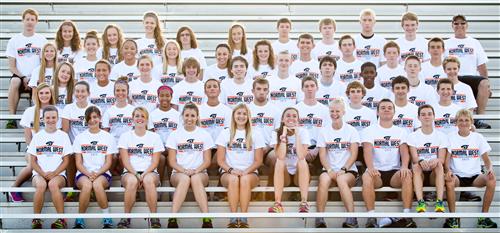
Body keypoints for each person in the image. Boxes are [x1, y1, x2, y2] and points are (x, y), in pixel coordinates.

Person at [361, 99, 416, 228]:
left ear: (394, 112)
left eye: (389, 108)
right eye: (383, 107)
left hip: (394, 173)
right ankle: (371, 217)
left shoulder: (401, 131)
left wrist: (404, 166)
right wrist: (370, 168)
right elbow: (367, 151)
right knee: (366, 176)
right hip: (377, 172)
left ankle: (407, 216)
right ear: (377, 112)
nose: (386, 110)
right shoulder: (369, 130)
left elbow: (404, 152)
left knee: (407, 174)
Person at [444, 109, 497, 228]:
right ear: (456, 123)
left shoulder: (478, 137)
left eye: (466, 120)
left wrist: (490, 170)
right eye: (460, 120)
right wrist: (448, 171)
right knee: (449, 180)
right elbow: (446, 162)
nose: (463, 123)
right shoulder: (450, 137)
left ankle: (483, 218)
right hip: (457, 176)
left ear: (471, 122)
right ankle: (453, 218)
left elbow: (487, 161)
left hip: (475, 176)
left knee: (492, 180)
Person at [216, 104, 265, 228]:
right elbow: (220, 160)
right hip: (228, 172)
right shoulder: (225, 133)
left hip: (250, 173)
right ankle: (233, 219)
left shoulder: (256, 133)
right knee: (233, 179)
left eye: (244, 114)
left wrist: (245, 171)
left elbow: (258, 161)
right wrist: (232, 170)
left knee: (244, 179)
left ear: (248, 117)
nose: (241, 116)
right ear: (233, 116)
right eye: (238, 113)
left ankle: (243, 218)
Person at [166, 103, 214, 228]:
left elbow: (207, 161)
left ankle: (207, 219)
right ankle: (172, 219)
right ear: (182, 116)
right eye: (187, 115)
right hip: (178, 173)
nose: (189, 118)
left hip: (200, 172)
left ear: (197, 117)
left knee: (195, 178)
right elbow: (172, 162)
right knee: (185, 178)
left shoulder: (204, 134)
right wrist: (184, 171)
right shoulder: (174, 134)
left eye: (193, 115)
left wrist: (196, 170)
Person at [10, 83, 58, 202]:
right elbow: (27, 136)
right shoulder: (30, 111)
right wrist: (34, 151)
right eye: (41, 93)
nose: (44, 95)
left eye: (47, 92)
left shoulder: (56, 111)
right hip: (33, 149)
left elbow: (59, 134)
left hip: (53, 149)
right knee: (32, 164)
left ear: (51, 94)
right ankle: (14, 188)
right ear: (36, 95)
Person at [315, 99, 360, 228]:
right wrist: (329, 170)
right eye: (332, 111)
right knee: (323, 180)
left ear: (343, 112)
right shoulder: (324, 131)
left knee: (341, 180)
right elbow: (322, 155)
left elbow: (354, 154)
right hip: (330, 169)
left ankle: (352, 219)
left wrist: (344, 169)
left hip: (348, 170)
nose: (334, 113)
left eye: (337, 111)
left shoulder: (351, 130)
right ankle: (320, 219)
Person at [117, 107, 163, 229]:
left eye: (143, 116)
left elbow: (155, 162)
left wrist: (143, 174)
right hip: (130, 172)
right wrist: (137, 175)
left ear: (147, 120)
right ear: (132, 119)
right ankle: (126, 218)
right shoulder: (125, 136)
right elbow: (125, 161)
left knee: (148, 180)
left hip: (150, 171)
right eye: (137, 116)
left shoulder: (154, 137)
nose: (140, 118)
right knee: (132, 181)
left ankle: (154, 217)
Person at [445, 15, 491, 129]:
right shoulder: (446, 43)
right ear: (452, 26)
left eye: (462, 23)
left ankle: (478, 119)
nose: (459, 25)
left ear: (467, 25)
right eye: (456, 23)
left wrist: (488, 86)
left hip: (471, 78)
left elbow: (482, 66)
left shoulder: (474, 42)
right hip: (454, 77)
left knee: (485, 84)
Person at [29, 105, 72, 229]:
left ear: (58, 118)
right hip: (39, 173)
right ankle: (36, 219)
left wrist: (54, 173)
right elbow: (32, 161)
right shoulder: (37, 136)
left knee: (53, 184)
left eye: (53, 117)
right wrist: (42, 173)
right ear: (42, 119)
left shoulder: (63, 136)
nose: (51, 120)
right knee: (41, 185)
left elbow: (66, 161)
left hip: (58, 174)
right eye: (48, 117)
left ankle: (61, 219)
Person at [73, 106, 116, 229]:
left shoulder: (108, 137)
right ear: (86, 120)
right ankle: (80, 219)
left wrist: (97, 174)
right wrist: (88, 174)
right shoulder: (80, 137)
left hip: (103, 173)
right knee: (87, 185)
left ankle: (107, 219)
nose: (92, 120)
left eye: (95, 117)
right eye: (89, 118)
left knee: (97, 185)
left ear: (100, 118)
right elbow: (78, 163)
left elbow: (108, 162)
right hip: (83, 173)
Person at [6, 8, 47, 129]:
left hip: (37, 76)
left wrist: (33, 78)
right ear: (23, 21)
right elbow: (12, 66)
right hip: (20, 76)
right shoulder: (14, 40)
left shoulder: (41, 40)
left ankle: (40, 117)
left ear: (36, 22)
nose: (29, 22)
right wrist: (23, 77)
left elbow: (44, 63)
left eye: (32, 19)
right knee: (14, 81)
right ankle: (11, 119)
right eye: (27, 19)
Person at [268, 107, 311, 213]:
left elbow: (301, 155)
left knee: (302, 161)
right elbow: (281, 156)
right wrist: (283, 136)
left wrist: (296, 135)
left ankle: (304, 202)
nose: (291, 118)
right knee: (279, 161)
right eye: (288, 116)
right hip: (284, 175)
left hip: (299, 174)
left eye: (294, 116)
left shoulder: (303, 132)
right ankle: (278, 203)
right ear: (282, 119)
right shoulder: (276, 133)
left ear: (298, 120)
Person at [408, 104, 446, 214]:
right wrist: (420, 161)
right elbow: (415, 157)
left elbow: (442, 159)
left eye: (429, 114)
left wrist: (437, 160)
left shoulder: (441, 135)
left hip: (434, 173)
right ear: (419, 117)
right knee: (416, 166)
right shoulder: (413, 136)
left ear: (434, 116)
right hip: (420, 173)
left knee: (439, 165)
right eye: (423, 114)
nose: (426, 117)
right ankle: (421, 202)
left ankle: (440, 202)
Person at [62, 81, 97, 193]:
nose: (80, 94)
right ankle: (71, 190)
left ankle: (92, 188)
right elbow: (65, 131)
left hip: (90, 144)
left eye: (83, 91)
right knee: (70, 156)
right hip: (73, 145)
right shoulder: (68, 108)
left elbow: (96, 131)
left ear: (88, 93)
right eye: (77, 91)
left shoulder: (94, 108)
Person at [248, 78, 280, 185]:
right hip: (249, 148)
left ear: (268, 92)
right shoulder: (246, 109)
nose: (261, 92)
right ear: (252, 91)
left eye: (264, 89)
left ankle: (270, 191)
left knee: (276, 158)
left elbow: (277, 132)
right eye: (258, 89)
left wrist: (269, 147)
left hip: (268, 148)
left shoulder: (275, 110)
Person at [102, 78, 135, 174]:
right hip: (114, 145)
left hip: (129, 145)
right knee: (113, 157)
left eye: (123, 90)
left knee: (122, 157)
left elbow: (136, 131)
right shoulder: (109, 111)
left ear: (128, 92)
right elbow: (105, 133)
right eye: (118, 90)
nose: (120, 93)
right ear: (114, 92)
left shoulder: (133, 110)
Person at [294, 76, 331, 162]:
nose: (309, 89)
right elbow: (293, 133)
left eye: (312, 86)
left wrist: (317, 149)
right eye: (306, 86)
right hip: (300, 148)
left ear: (317, 88)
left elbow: (327, 132)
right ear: (302, 89)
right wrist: (303, 150)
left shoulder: (325, 110)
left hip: (319, 148)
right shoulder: (296, 109)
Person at [149, 85, 179, 182]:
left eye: (167, 95)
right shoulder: (152, 115)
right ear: (158, 97)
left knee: (171, 158)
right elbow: (151, 135)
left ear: (171, 97)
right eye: (162, 96)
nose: (165, 98)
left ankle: (172, 188)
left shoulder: (177, 115)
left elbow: (179, 135)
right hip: (158, 149)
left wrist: (171, 148)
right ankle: (159, 185)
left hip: (173, 148)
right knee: (161, 159)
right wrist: (160, 148)